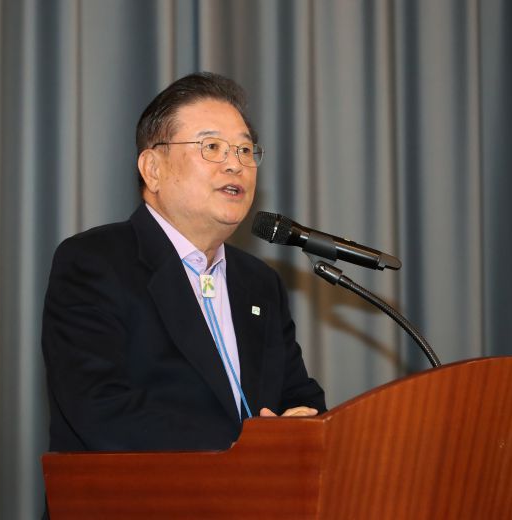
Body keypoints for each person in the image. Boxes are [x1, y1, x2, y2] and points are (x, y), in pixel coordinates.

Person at [42, 72, 325, 453]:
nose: (235, 165)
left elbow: (300, 397)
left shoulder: (259, 282)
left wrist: (304, 426)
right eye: (212, 147)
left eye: (245, 150)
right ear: (153, 169)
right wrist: (246, 450)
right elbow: (101, 407)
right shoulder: (95, 262)